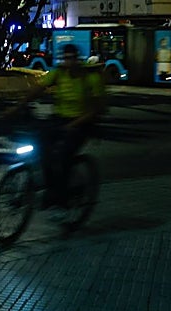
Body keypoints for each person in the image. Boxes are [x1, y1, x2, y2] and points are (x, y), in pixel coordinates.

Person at [7, 42, 106, 208]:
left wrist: (74, 124)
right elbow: (38, 89)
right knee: (41, 146)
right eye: (65, 59)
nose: (69, 63)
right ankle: (51, 189)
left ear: (77, 59)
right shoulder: (58, 74)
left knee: (64, 155)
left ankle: (63, 196)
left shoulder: (89, 77)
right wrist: (17, 107)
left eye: (72, 59)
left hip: (83, 122)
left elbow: (97, 109)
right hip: (60, 119)